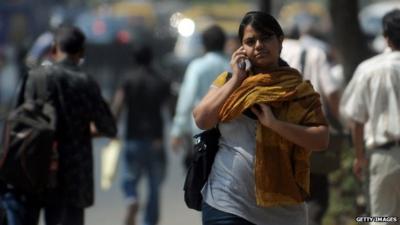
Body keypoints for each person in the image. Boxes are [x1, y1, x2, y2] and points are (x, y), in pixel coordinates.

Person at [193, 11, 329, 225]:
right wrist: (237, 80)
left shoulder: (299, 91)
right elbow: (202, 118)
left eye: (265, 37)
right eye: (250, 41)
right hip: (226, 202)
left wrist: (275, 125)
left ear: (280, 41)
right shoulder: (228, 82)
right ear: (241, 49)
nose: (258, 45)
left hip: (283, 212)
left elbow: (321, 139)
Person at [0, 25, 117, 225]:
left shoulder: (34, 77)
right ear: (81, 53)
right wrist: (82, 131)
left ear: (54, 49)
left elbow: (15, 122)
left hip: (32, 169)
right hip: (72, 177)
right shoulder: (86, 82)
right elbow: (108, 126)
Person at [340, 9, 400, 223]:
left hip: (384, 157)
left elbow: (356, 119)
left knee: (383, 220)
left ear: (385, 36)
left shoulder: (369, 69)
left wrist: (359, 156)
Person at [281, 38, 343, 225]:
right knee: (316, 187)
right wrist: (340, 121)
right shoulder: (317, 53)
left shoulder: (275, 54)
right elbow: (331, 91)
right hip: (313, 130)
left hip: (285, 130)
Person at [111, 45, 171, 225]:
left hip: (133, 138)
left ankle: (131, 199)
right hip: (156, 139)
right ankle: (149, 222)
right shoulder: (161, 80)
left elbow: (118, 105)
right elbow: (171, 108)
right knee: (154, 186)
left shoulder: (128, 79)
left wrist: (112, 128)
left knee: (129, 179)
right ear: (151, 58)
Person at [170, 24, 230, 169]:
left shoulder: (197, 67)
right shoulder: (232, 66)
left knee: (200, 175)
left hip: (201, 132)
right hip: (230, 132)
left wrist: (178, 130)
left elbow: (186, 100)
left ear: (203, 45)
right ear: (224, 43)